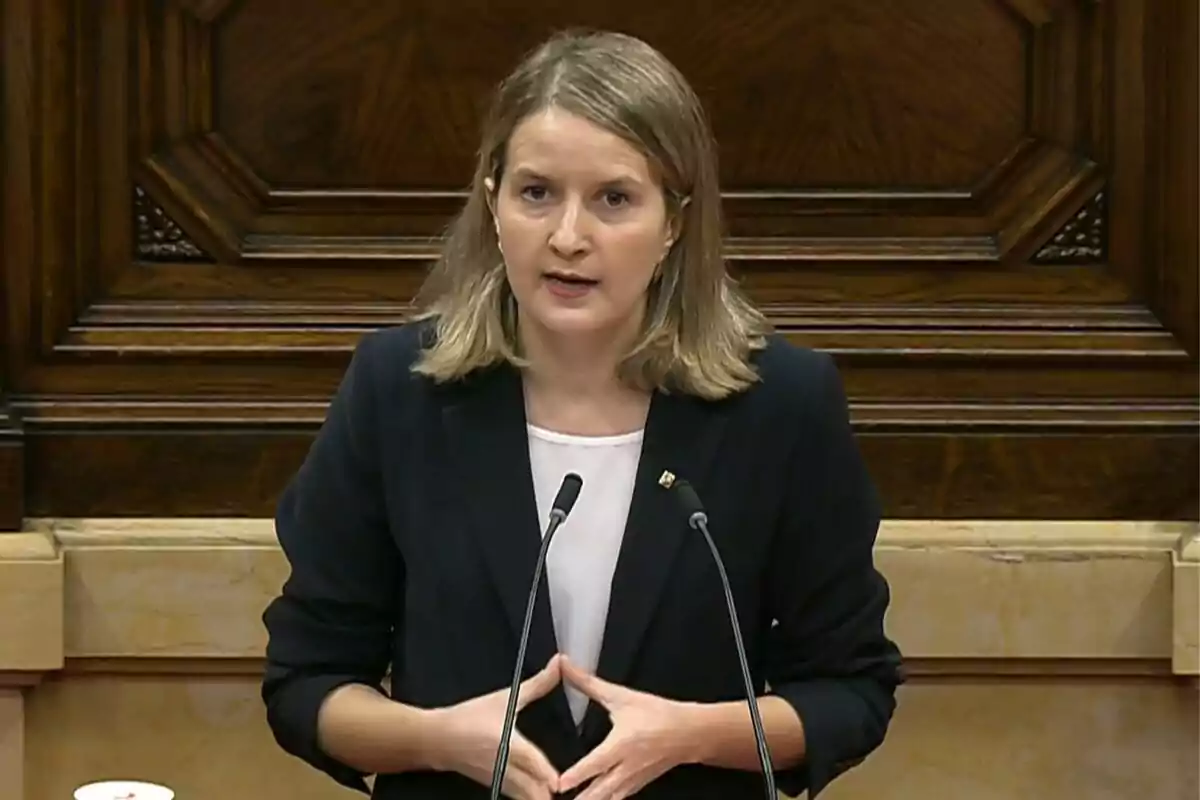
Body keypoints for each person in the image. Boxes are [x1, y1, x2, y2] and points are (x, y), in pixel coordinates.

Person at [261, 28, 903, 800]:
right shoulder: (399, 393)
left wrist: (692, 735)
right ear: (492, 203)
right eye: (537, 193)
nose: (569, 238)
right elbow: (306, 683)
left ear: (673, 222)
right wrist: (439, 740)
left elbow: (849, 692)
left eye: (614, 199)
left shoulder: (781, 408)